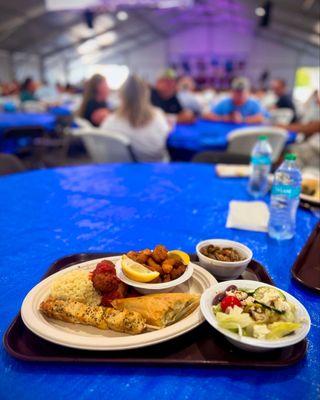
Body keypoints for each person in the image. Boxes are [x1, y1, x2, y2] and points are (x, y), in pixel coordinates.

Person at [101, 75, 171, 162]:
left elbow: (104, 144)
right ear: (146, 94)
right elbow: (165, 137)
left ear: (121, 95)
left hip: (121, 170)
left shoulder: (110, 121)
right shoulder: (158, 116)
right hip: (155, 167)